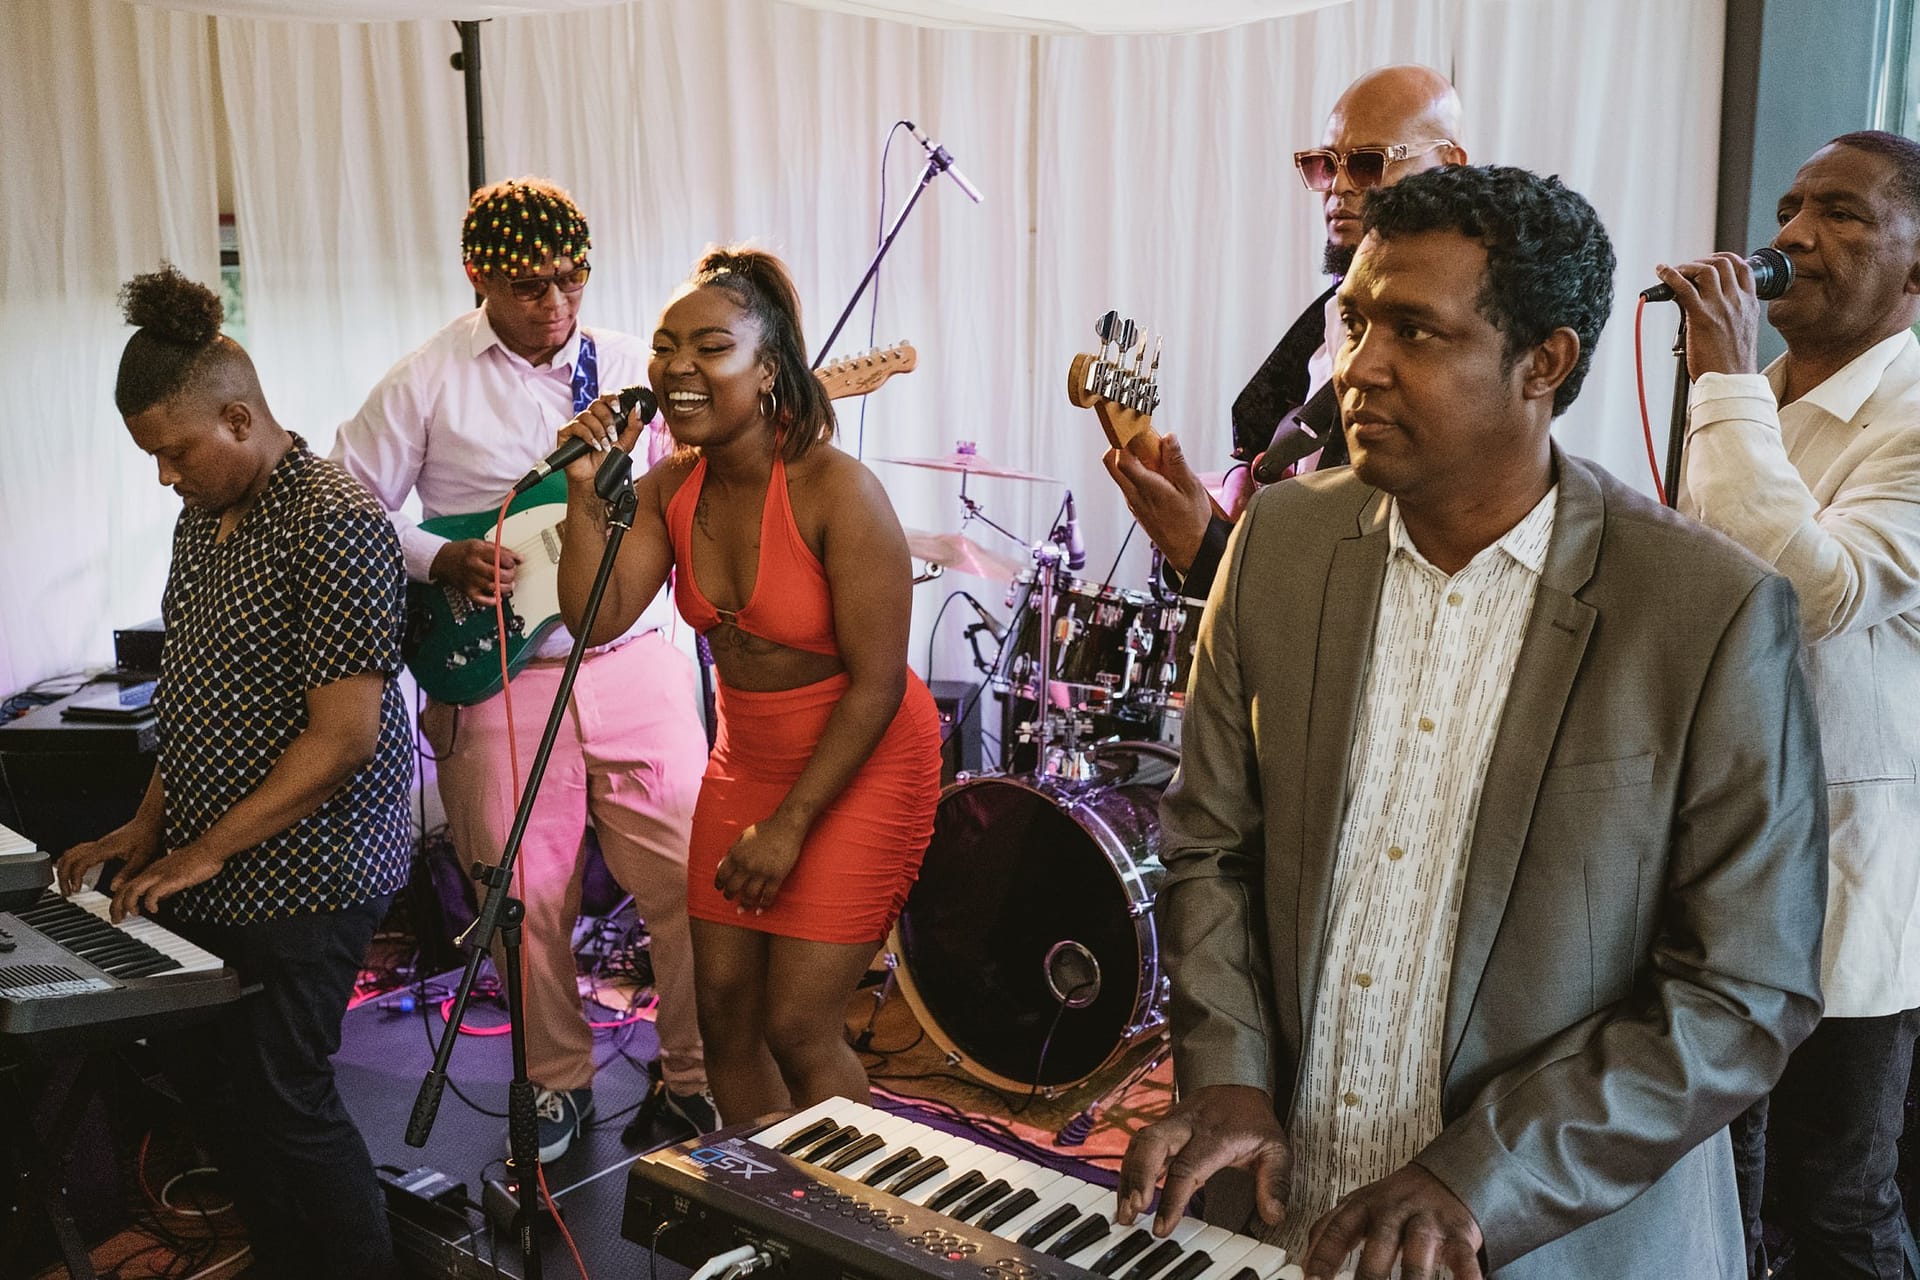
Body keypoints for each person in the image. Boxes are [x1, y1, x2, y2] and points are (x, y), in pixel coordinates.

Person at [1116, 166, 1828, 1279]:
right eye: (1355, 320)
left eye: (1416, 330)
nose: (1358, 366)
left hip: (1562, 1242)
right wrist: (1230, 1072)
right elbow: (1210, 843)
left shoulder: (1706, 611)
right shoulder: (1278, 545)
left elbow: (1743, 988)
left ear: (1544, 361)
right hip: (1290, 1214)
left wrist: (1484, 1174)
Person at [331, 178, 712, 1161]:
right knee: (524, 890)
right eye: (529, 286)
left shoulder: (631, 365)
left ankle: (699, 1071)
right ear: (478, 277)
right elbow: (347, 493)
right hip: (498, 662)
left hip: (630, 652)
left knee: (687, 871)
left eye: (571, 280)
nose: (555, 306)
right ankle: (556, 1081)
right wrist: (436, 557)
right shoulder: (429, 376)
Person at [56, 265, 412, 1280]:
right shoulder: (198, 522)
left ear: (240, 415)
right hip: (215, 867)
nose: (166, 475)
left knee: (283, 1093)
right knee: (212, 1093)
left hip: (311, 874)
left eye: (175, 450)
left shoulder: (333, 514)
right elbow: (199, 693)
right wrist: (145, 823)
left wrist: (202, 845)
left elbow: (343, 735)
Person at [551, 246, 941, 1126]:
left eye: (710, 348)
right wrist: (584, 495)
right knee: (722, 1020)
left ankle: (855, 1238)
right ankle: (770, 1217)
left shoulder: (841, 493)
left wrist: (791, 825)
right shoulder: (665, 489)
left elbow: (876, 686)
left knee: (798, 1023)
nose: (678, 367)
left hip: (862, 751)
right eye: (664, 346)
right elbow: (595, 619)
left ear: (769, 370)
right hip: (748, 754)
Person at [1656, 129, 1920, 1280]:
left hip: (1848, 895)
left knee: (1834, 1200)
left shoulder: (1906, 417)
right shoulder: (1751, 403)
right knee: (1719, 1187)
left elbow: (1810, 593)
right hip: (1720, 872)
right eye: (1791, 204)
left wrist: (1718, 383)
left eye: (1847, 214)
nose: (1795, 236)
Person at [1105, 64, 1466, 598]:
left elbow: (1360, 588)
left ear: (1450, 165)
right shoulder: (1329, 316)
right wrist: (1237, 490)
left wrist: (1198, 550)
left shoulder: (1458, 345)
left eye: (1368, 164)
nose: (1338, 187)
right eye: (1325, 165)